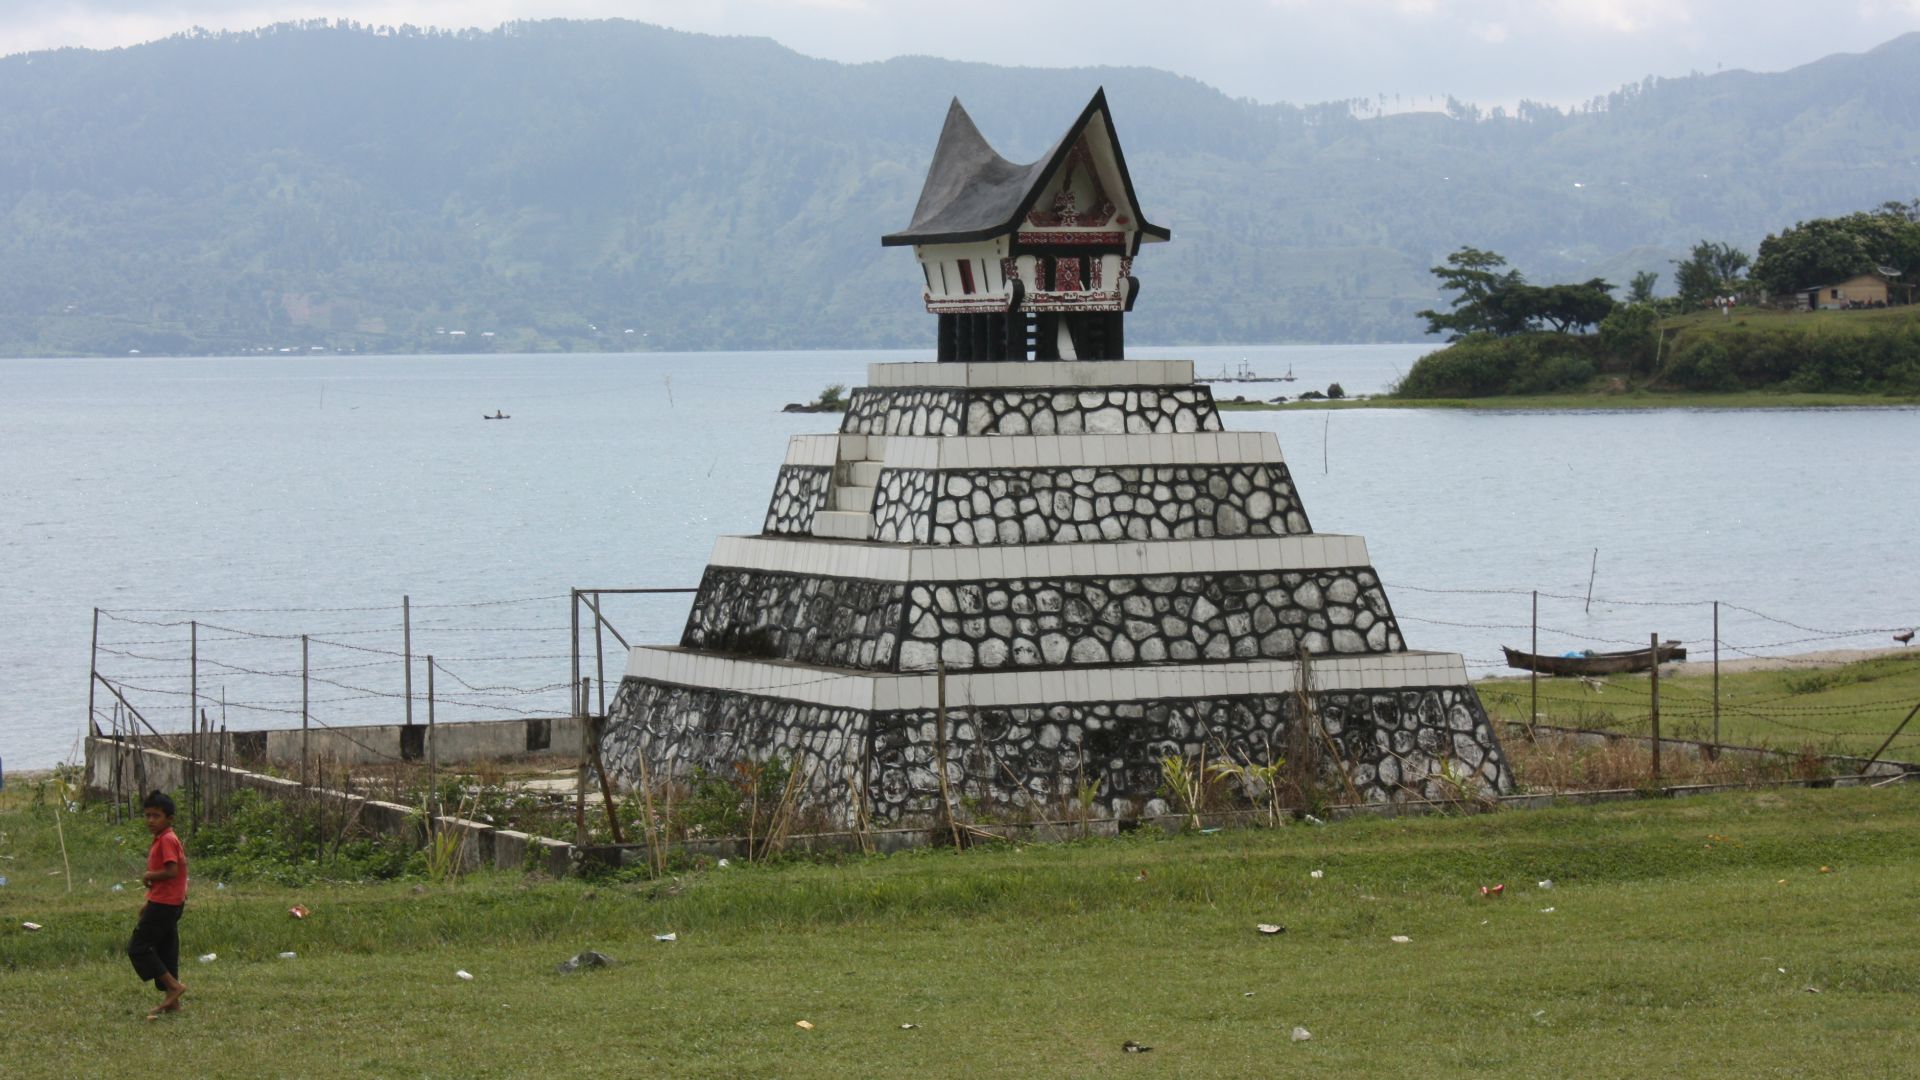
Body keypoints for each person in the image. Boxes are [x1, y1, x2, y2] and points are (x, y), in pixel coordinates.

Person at [128, 790, 188, 1018]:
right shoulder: (165, 839)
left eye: (156, 816)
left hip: (165, 905)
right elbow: (182, 871)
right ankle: (173, 1003)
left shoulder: (167, 840)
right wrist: (148, 900)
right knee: (166, 949)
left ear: (169, 819)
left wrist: (148, 876)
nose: (151, 820)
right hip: (168, 902)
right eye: (148, 815)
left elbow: (172, 871)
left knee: (139, 948)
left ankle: (173, 987)